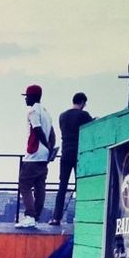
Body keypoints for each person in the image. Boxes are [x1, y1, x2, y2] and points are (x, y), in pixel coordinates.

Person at [49, 92, 93, 225]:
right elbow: (91, 128)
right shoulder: (83, 115)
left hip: (65, 152)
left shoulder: (62, 116)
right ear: (82, 102)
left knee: (62, 186)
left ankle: (56, 217)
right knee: (81, 186)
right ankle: (82, 216)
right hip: (79, 153)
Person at [16, 84, 53, 227]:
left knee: (24, 183)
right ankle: (36, 216)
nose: (25, 99)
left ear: (33, 97)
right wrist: (49, 149)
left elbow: (37, 130)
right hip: (44, 156)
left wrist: (46, 145)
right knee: (39, 185)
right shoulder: (46, 113)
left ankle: (30, 216)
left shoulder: (32, 112)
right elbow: (52, 134)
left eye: (26, 96)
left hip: (34, 153)